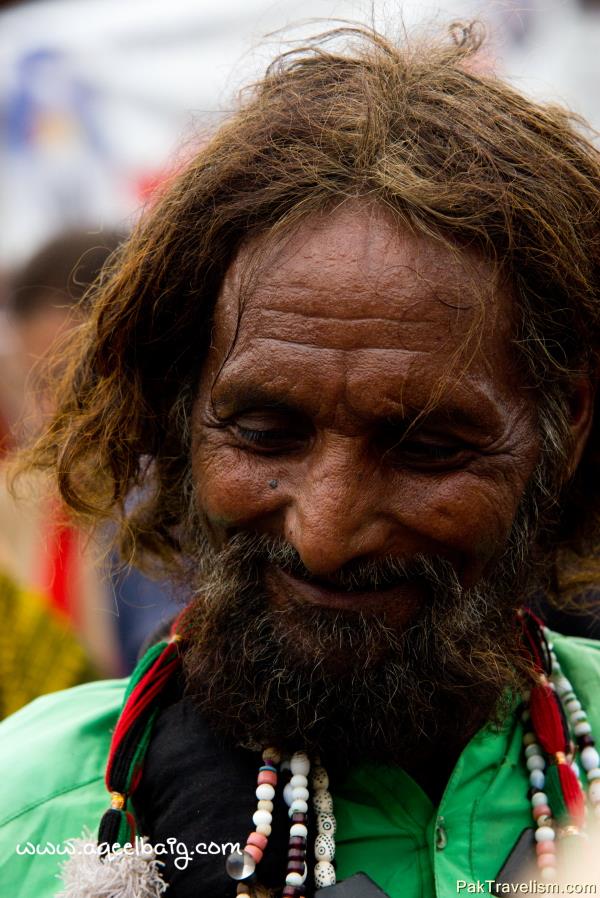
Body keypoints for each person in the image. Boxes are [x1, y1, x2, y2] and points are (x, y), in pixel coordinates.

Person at [1, 21, 600, 898]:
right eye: (263, 432)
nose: (324, 533)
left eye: (427, 448)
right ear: (177, 412)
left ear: (567, 426)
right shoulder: (31, 817)